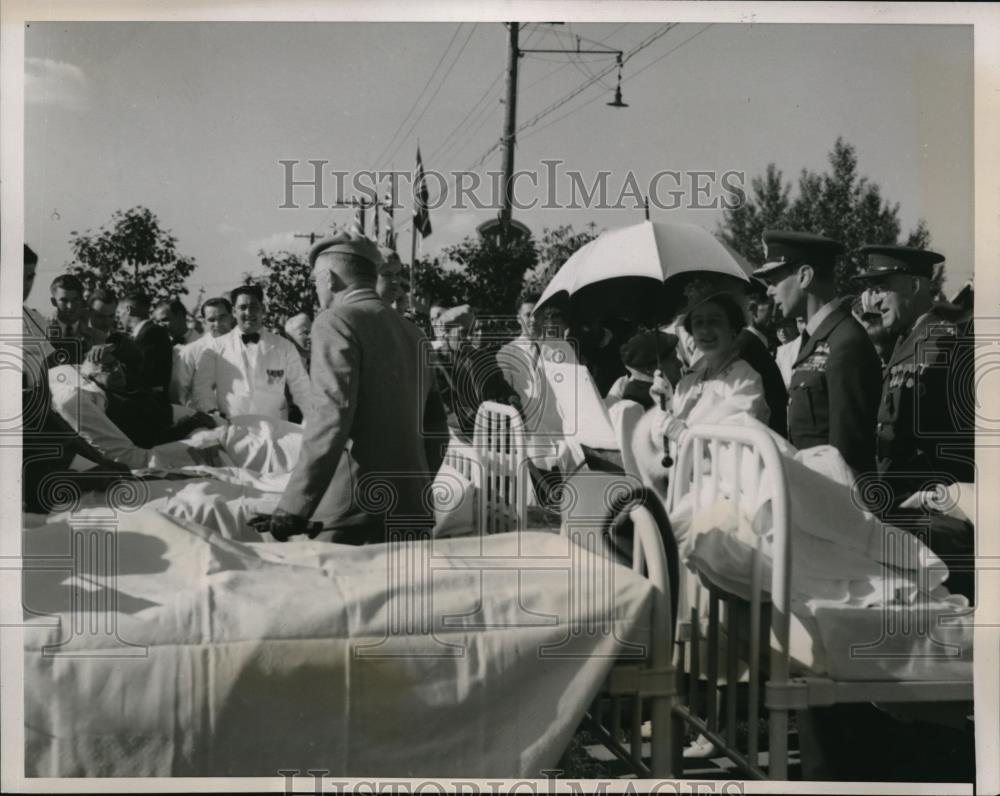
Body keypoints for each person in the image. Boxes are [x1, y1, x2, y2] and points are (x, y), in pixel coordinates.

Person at [263, 230, 448, 543]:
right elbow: (437, 428)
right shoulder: (414, 332)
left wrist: (294, 506)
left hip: (353, 512)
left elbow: (330, 418)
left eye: (315, 281)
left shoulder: (335, 321)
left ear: (330, 278)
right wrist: (415, 486)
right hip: (411, 510)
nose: (317, 290)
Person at [854, 244, 975, 598]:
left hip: (936, 518)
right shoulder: (909, 340)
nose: (873, 301)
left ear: (916, 286)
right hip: (909, 512)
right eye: (871, 290)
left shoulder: (943, 344)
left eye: (882, 288)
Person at [755, 230, 882, 477]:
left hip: (834, 501)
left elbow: (847, 457)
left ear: (804, 276)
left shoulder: (845, 342)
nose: (769, 291)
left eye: (774, 280)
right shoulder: (815, 338)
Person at [22, 247, 127, 511]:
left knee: (111, 476)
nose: (25, 285)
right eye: (18, 276)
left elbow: (48, 398)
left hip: (36, 432)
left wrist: (96, 457)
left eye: (30, 277)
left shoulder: (33, 320)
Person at [192, 284, 312, 422]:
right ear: (234, 312)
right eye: (243, 307)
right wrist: (212, 413)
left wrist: (309, 420)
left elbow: (302, 389)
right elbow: (201, 388)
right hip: (231, 427)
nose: (249, 313)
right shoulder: (214, 348)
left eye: (254, 307)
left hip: (275, 427)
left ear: (263, 309)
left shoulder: (284, 347)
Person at [433, 303, 515, 438]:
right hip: (457, 439)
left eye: (472, 333)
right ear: (447, 332)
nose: (470, 338)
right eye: (464, 333)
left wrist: (512, 400)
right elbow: (443, 407)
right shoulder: (435, 361)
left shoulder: (483, 358)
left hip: (491, 434)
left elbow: (501, 388)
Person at [736, 283, 788, 438]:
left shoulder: (753, 343)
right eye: (771, 306)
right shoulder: (746, 346)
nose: (778, 311)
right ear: (753, 309)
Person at [171, 297, 234, 405]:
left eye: (222, 317)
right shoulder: (190, 351)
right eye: (211, 320)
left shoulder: (245, 347)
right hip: (205, 417)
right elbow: (178, 392)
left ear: (231, 317)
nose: (217, 324)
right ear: (204, 322)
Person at [113, 289, 174, 395]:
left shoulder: (152, 333)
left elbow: (143, 372)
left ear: (128, 310)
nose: (118, 318)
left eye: (119, 312)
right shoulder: (148, 332)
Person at [47, 274, 106, 364]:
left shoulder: (98, 338)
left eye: (75, 300)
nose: (70, 306)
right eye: (64, 300)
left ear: (82, 300)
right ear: (54, 302)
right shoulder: (42, 334)